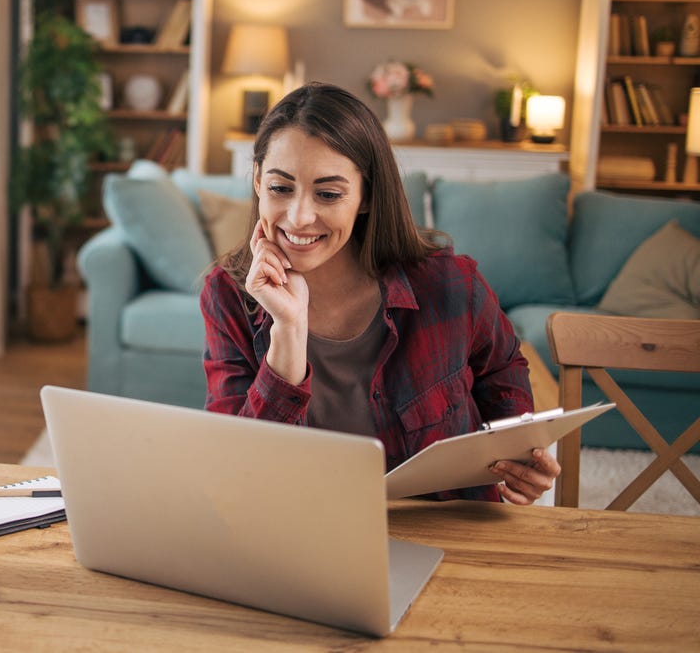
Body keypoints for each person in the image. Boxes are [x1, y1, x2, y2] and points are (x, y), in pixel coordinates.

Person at [200, 82, 558, 504]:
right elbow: (239, 467)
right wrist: (289, 328)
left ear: (366, 195)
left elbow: (502, 368)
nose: (299, 217)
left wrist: (517, 458)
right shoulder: (227, 294)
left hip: (446, 530)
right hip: (304, 529)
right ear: (258, 179)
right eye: (281, 188)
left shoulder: (450, 282)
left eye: (329, 194)